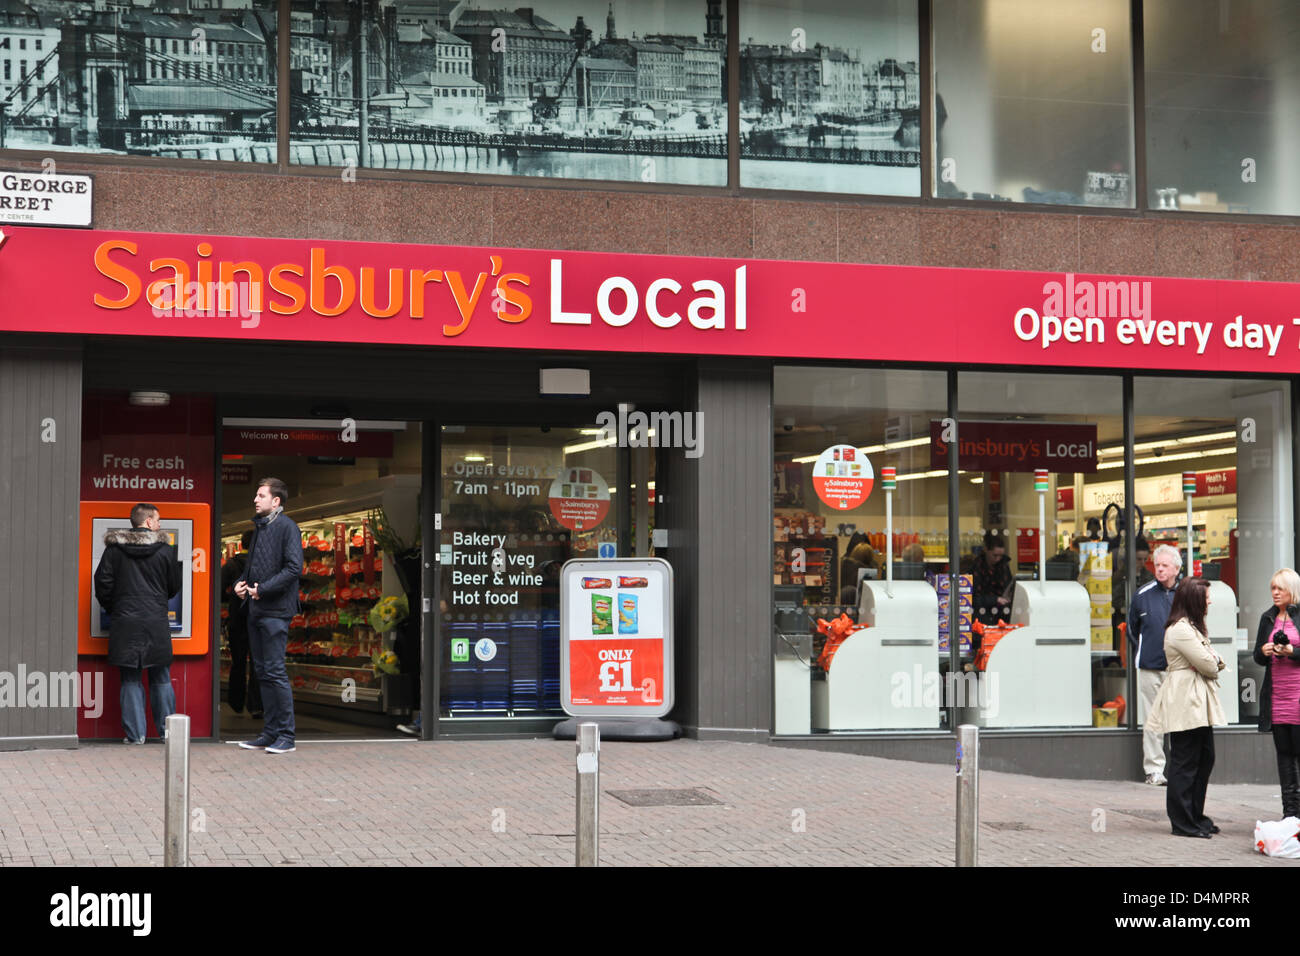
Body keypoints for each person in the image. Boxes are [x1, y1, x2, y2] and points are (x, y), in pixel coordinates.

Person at [93, 503, 183, 744]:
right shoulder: (165, 550)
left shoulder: (114, 550)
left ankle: (136, 736)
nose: (160, 524)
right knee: (161, 677)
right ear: (149, 522)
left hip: (125, 622)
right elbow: (174, 585)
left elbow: (102, 583)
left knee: (130, 679)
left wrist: (116, 608)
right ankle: (169, 735)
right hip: (156, 621)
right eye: (158, 519)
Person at [1145, 577, 1225, 838]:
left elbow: (1214, 661)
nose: (1210, 601)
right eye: (1206, 597)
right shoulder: (1180, 630)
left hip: (1196, 700)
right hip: (1185, 700)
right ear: (1194, 600)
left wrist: (1210, 660)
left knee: (1204, 758)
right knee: (1186, 761)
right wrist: (1210, 660)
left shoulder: (1192, 628)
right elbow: (1210, 664)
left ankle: (1195, 816)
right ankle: (1182, 821)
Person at [236, 478, 302, 755]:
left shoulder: (288, 528)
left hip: (275, 611)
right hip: (256, 608)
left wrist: (263, 589)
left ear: (276, 501)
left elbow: (294, 568)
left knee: (274, 671)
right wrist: (240, 584)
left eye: (261, 495)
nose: (255, 499)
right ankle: (270, 732)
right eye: (256, 495)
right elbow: (253, 566)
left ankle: (286, 736)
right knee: (262, 672)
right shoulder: (261, 527)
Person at [1127, 543, 1182, 786]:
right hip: (1150, 666)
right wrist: (1144, 649)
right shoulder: (1142, 595)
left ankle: (1180, 769)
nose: (1159, 569)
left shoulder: (1186, 594)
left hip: (1180, 668)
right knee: (1152, 719)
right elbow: (1131, 629)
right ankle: (1154, 770)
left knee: (1180, 719)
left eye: (1164, 565)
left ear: (1176, 569)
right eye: (1157, 565)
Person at [1253, 568, 1300, 819]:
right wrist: (1266, 648)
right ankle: (1290, 815)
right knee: (1284, 757)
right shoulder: (1267, 618)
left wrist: (1291, 650)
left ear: (1291, 590)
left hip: (1298, 696)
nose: (1275, 593)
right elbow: (1257, 658)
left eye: (1280, 588)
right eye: (1272, 588)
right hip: (1277, 697)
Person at [220, 530, 262, 718]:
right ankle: (256, 705)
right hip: (259, 619)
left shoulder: (230, 565)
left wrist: (231, 597)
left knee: (238, 662)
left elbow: (218, 590)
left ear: (242, 544)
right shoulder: (263, 565)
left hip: (237, 619)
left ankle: (236, 702)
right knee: (257, 663)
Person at [971, 532, 1012, 626]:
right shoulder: (977, 567)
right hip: (981, 616)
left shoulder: (1004, 566)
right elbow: (973, 598)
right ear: (986, 550)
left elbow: (1008, 585)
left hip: (1001, 615)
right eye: (995, 555)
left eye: (1001, 556)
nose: (998, 559)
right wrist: (995, 599)